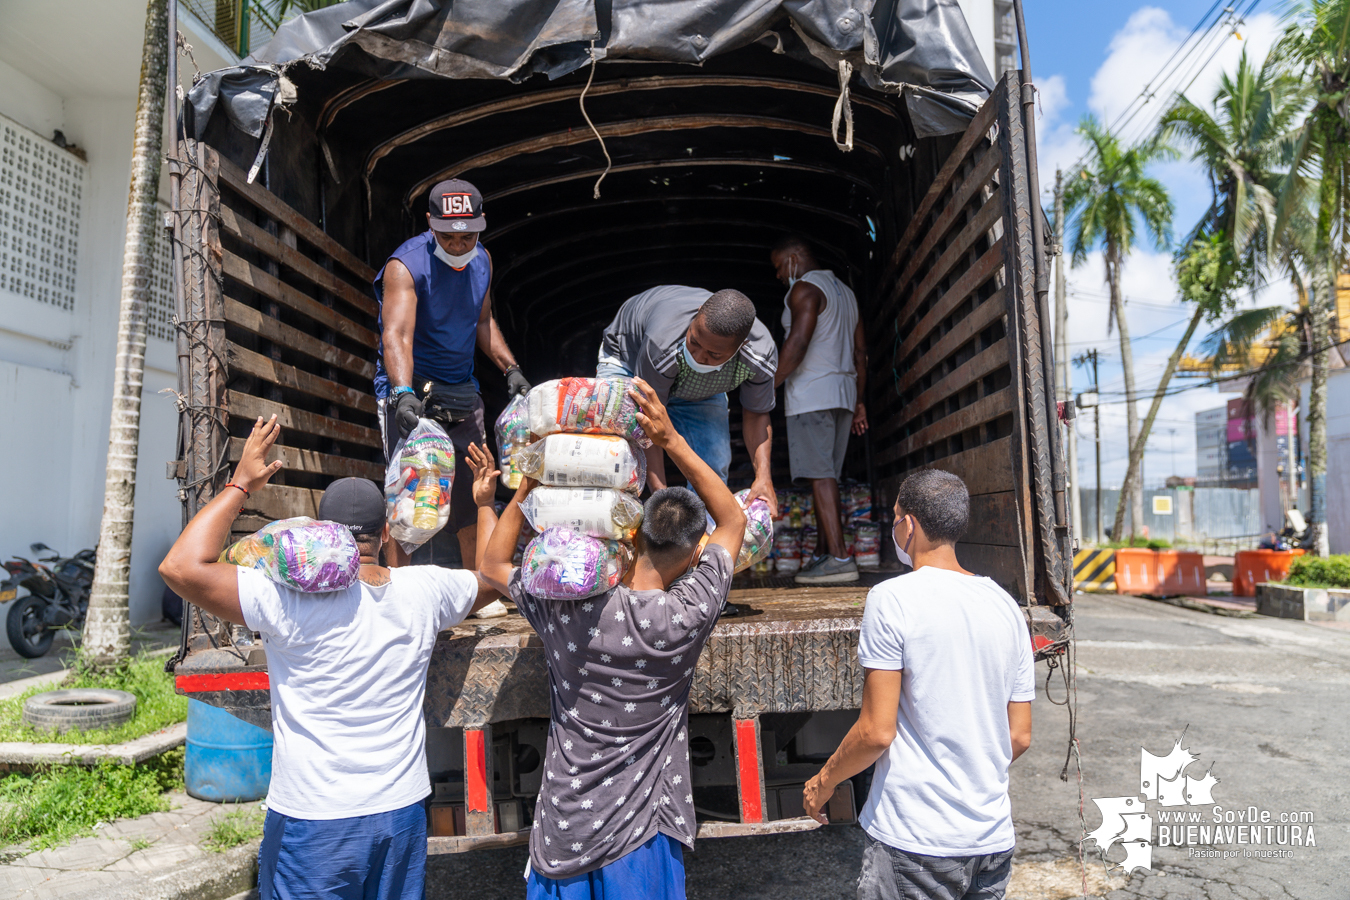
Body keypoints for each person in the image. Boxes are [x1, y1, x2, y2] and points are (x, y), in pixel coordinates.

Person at [158, 415, 502, 900]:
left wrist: (242, 483)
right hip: (400, 813)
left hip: (315, 820)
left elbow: (180, 566)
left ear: (321, 532)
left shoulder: (283, 599)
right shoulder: (424, 591)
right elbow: (492, 577)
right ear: (385, 532)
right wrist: (484, 505)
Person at [472, 378, 746, 900]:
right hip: (643, 836)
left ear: (632, 532)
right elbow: (732, 517)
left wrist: (533, 482)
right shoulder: (689, 614)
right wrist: (671, 440)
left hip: (564, 831)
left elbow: (491, 564)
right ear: (693, 558)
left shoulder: (569, 608)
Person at [801, 469, 1034, 900]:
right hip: (992, 842)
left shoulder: (892, 599)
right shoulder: (1005, 606)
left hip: (916, 841)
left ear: (907, 525)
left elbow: (876, 731)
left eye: (894, 518)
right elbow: (1018, 734)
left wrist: (824, 781)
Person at [374, 177, 531, 567]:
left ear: (480, 223)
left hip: (462, 391)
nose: (459, 246)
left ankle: (478, 583)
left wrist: (510, 367)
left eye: (467, 237)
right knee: (409, 490)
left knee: (474, 486)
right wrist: (401, 392)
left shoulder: (483, 261)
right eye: (448, 237)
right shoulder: (405, 266)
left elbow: (483, 321)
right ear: (431, 223)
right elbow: (398, 334)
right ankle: (399, 587)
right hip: (413, 392)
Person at [597, 285, 778, 513]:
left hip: (701, 385)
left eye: (714, 355)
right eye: (694, 342)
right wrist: (660, 496)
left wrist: (763, 478)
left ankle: (702, 539)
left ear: (741, 347)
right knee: (615, 460)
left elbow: (757, 412)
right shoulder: (662, 343)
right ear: (697, 314)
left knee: (713, 467)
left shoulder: (760, 356)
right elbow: (649, 418)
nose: (699, 357)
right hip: (629, 357)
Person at [770, 235, 868, 585]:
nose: (780, 275)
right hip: (841, 393)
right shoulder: (846, 293)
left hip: (812, 394)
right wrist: (858, 401)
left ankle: (841, 558)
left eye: (780, 267)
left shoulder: (805, 290)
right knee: (826, 475)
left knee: (820, 474)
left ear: (795, 259)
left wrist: (768, 386)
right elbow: (860, 354)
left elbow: (797, 343)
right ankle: (828, 555)